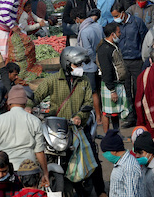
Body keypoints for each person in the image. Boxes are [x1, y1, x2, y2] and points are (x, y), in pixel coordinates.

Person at [31, 47, 104, 197]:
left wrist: (79, 116)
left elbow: (88, 103)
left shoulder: (84, 82)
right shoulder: (52, 80)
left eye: (81, 65)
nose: (80, 68)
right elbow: (37, 96)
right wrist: (27, 107)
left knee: (93, 158)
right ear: (67, 63)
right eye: (77, 65)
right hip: (56, 127)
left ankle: (101, 190)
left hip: (78, 128)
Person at [0, 85, 49, 186]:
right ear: (25, 102)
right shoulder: (35, 121)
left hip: (5, 169)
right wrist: (45, 173)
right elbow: (39, 151)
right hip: (28, 171)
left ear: (9, 102)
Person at [112, 1, 147, 127]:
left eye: (116, 15)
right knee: (126, 90)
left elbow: (144, 40)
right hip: (123, 61)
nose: (115, 18)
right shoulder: (116, 26)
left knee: (139, 90)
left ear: (123, 13)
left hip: (137, 60)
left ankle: (141, 117)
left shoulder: (137, 22)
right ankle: (131, 117)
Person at [96, 22, 129, 131]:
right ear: (112, 34)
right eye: (118, 32)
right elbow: (106, 70)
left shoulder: (113, 46)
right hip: (110, 84)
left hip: (115, 83)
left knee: (115, 112)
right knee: (107, 113)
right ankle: (108, 136)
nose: (120, 34)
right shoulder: (104, 49)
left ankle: (116, 133)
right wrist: (112, 90)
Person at [101, 129, 142, 197]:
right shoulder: (120, 163)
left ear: (113, 151)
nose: (104, 155)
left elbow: (131, 194)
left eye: (105, 152)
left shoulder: (129, 167)